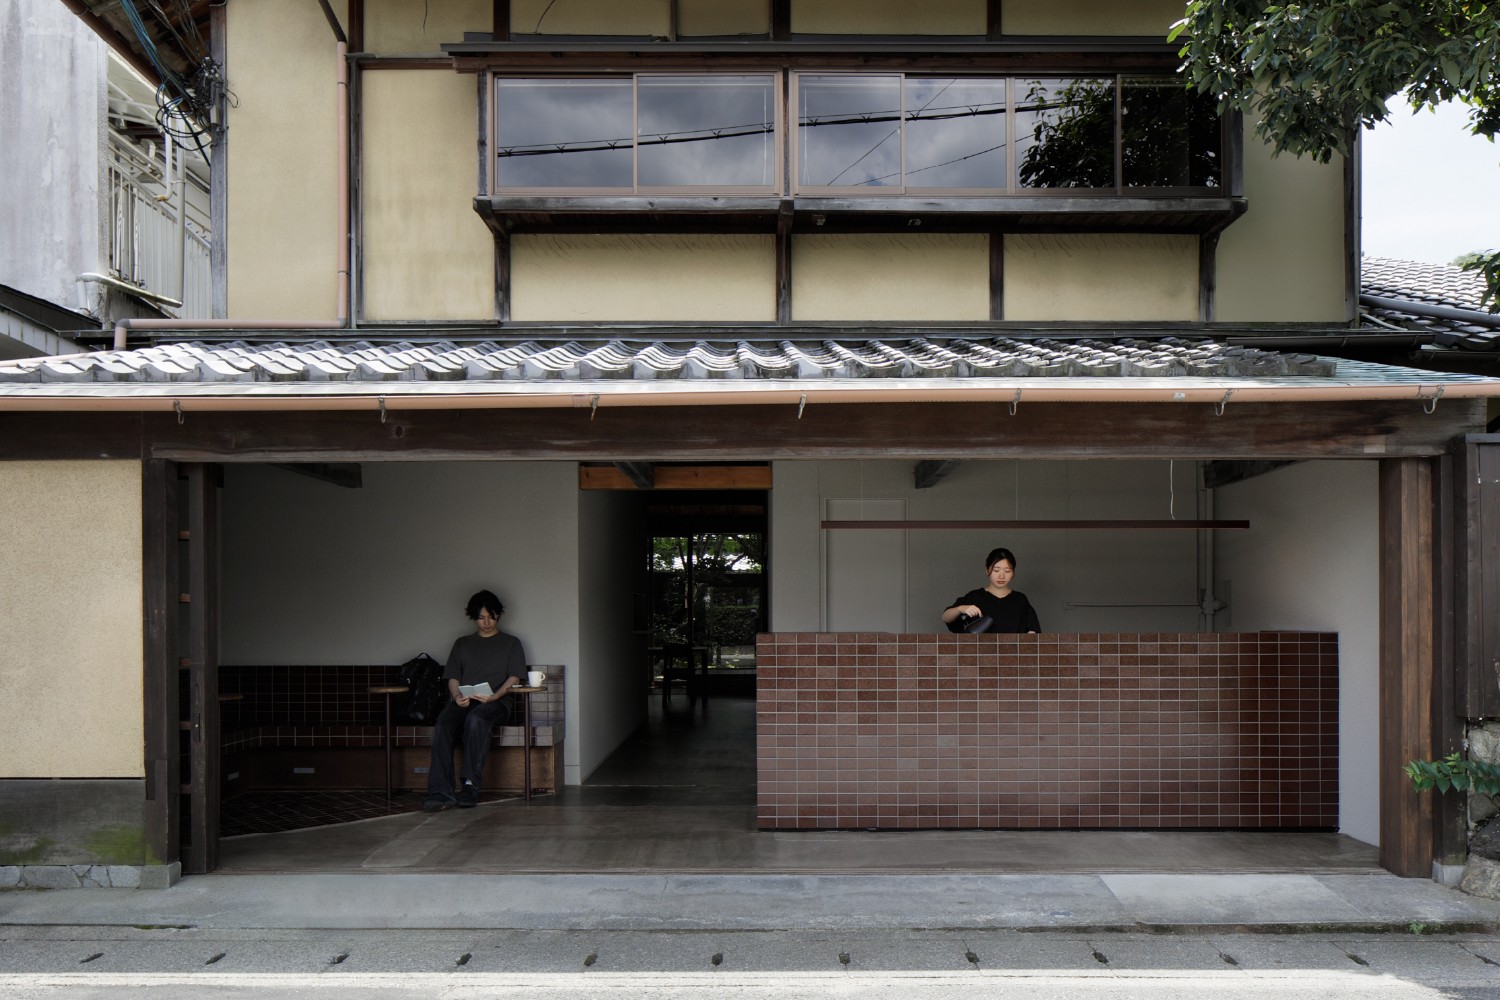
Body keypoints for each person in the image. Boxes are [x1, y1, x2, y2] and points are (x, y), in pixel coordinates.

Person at [423, 589, 528, 811]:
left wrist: (495, 696)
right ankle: (440, 791)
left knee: (477, 719)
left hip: (497, 703)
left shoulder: (511, 643)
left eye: (491, 617)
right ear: (473, 618)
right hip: (466, 700)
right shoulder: (462, 643)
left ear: (498, 615)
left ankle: (470, 785)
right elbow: (453, 677)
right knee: (443, 723)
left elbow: (515, 677)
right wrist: (457, 697)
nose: (486, 622)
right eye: (481, 618)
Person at [941, 546, 1041, 634]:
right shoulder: (975, 597)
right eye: (996, 570)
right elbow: (945, 617)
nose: (1001, 576)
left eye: (1007, 571)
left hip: (1013, 650)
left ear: (1013, 573)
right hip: (979, 650)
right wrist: (960, 608)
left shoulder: (1020, 600)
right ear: (987, 570)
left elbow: (1032, 631)